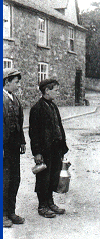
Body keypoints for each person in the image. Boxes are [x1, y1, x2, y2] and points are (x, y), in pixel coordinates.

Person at [29, 79, 69, 218]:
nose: (58, 93)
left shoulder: (53, 106)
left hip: (56, 148)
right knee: (43, 178)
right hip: (45, 150)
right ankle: (42, 206)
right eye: (56, 90)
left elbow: (59, 127)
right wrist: (37, 153)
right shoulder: (37, 109)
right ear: (47, 91)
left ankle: (50, 202)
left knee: (53, 176)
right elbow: (33, 133)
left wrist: (63, 147)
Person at [3, 68, 26, 227]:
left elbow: (20, 123)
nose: (18, 85)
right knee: (4, 181)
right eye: (16, 82)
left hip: (14, 147)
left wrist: (22, 141)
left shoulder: (15, 100)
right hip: (3, 148)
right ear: (6, 82)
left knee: (15, 179)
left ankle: (11, 211)